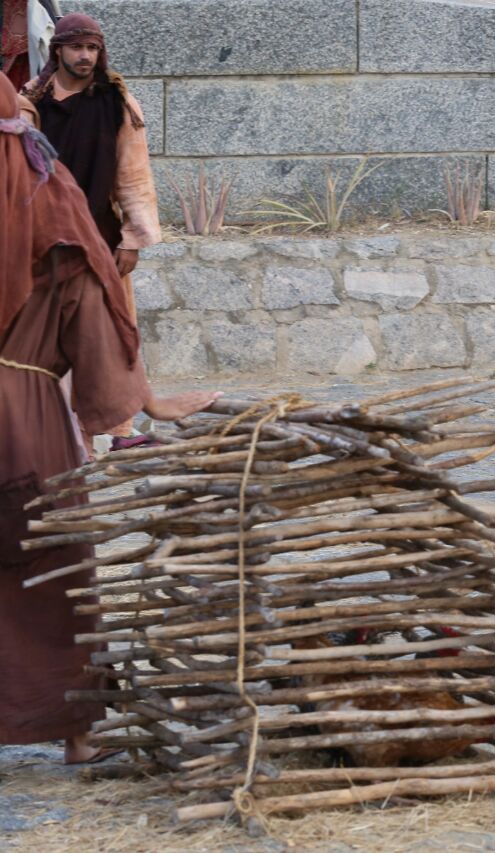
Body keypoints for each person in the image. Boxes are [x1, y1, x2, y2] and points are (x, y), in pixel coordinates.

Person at [0, 74, 218, 764]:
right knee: (55, 567)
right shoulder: (52, 205)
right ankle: (78, 729)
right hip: (24, 419)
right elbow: (97, 321)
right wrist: (144, 400)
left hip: (24, 405)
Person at [23, 12, 162, 448]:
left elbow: (133, 176)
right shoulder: (30, 101)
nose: (85, 56)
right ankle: (59, 437)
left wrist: (132, 239)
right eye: (76, 47)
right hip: (43, 239)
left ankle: (118, 430)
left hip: (100, 236)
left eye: (92, 48)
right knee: (46, 339)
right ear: (57, 50)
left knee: (109, 334)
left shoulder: (117, 103)